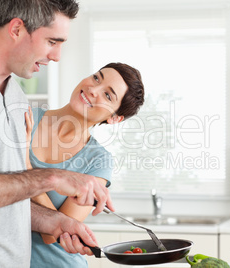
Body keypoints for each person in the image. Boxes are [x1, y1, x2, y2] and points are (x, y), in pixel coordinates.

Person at [0, 0, 114, 267]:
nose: (57, 56)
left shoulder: (16, 94)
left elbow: (1, 197)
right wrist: (52, 177)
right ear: (17, 28)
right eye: (53, 41)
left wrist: (56, 222)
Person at [28, 62, 145, 267]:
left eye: (108, 95)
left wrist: (24, 162)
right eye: (96, 78)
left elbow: (53, 233)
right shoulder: (25, 117)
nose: (93, 89)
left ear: (114, 118)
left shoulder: (97, 160)